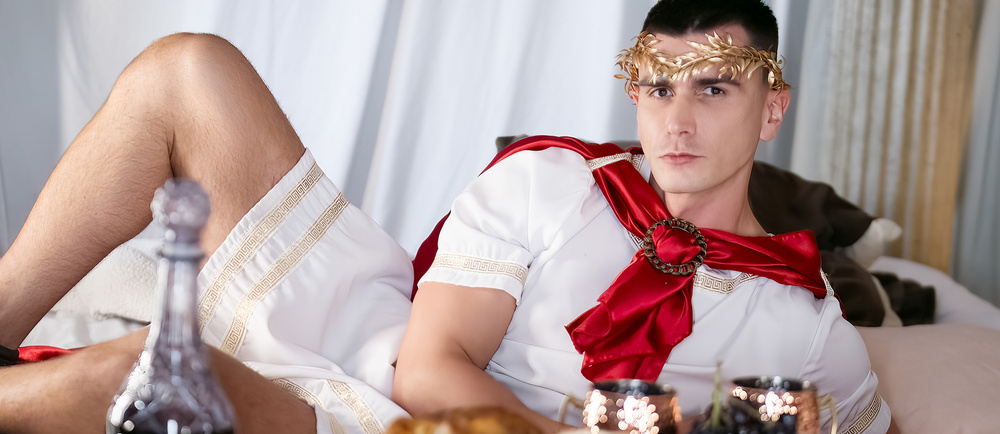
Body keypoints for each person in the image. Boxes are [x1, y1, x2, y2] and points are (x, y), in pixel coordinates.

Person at [392, 1, 891, 433]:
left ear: (771, 112)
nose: (677, 124)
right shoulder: (542, 185)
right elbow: (424, 374)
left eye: (713, 90)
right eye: (660, 90)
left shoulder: (807, 328)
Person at [0, 33, 413, 433]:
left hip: (398, 415)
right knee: (184, 75)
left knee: (146, 389)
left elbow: (433, 386)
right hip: (382, 325)